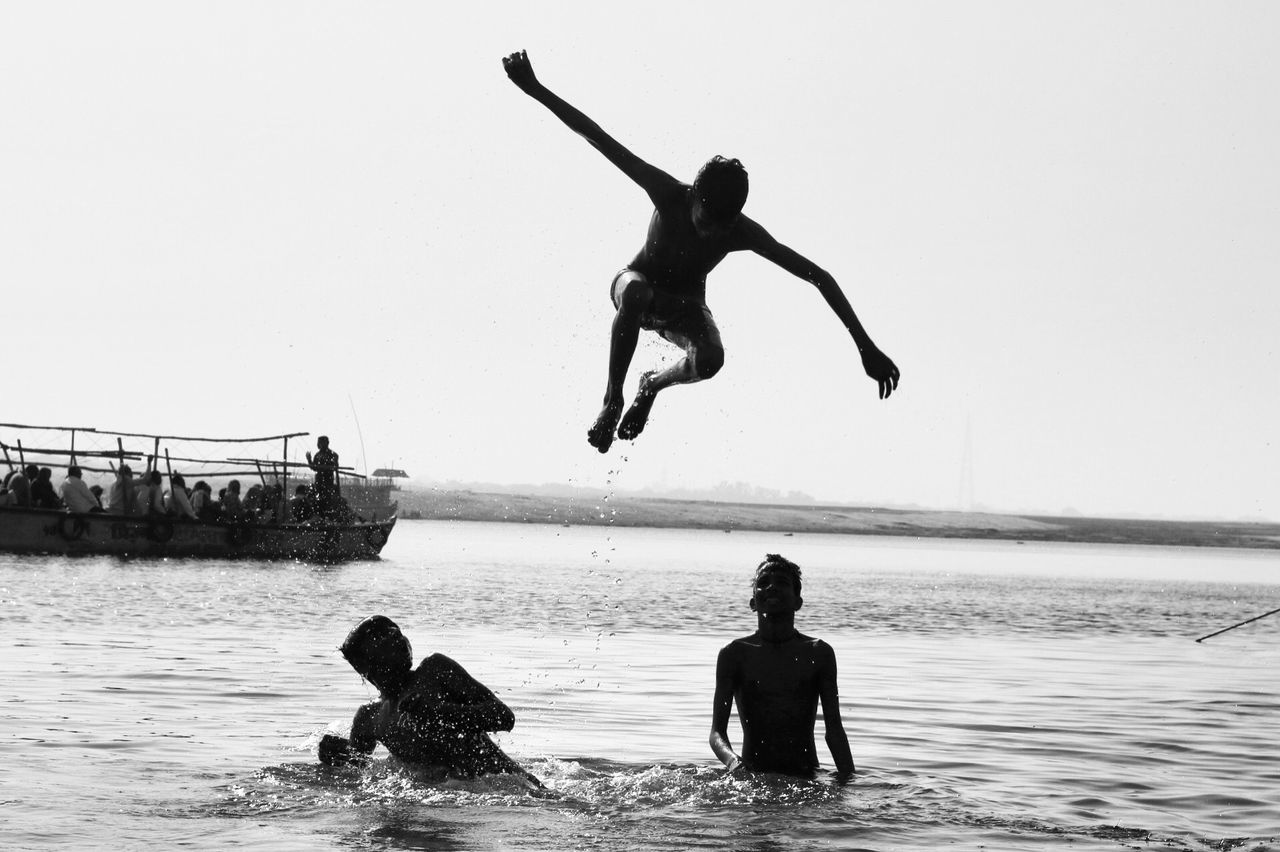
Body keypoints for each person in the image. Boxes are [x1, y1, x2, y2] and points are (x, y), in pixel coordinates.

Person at [503, 51, 901, 453]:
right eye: (705, 220)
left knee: (711, 360)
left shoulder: (740, 232)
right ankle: (612, 399)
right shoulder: (667, 194)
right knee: (638, 293)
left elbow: (819, 277)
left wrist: (865, 346)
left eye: (722, 225)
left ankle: (651, 386)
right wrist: (536, 89)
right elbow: (597, 137)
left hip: (685, 306)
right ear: (694, 196)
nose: (711, 232)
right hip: (634, 287)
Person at [319, 615, 540, 786]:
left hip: (516, 786)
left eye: (397, 633)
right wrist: (337, 756)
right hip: (458, 800)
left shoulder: (435, 672)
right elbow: (359, 771)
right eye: (386, 638)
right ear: (365, 667)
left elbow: (504, 717)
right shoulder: (369, 718)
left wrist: (441, 712)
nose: (400, 640)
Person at [710, 554, 855, 780]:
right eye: (763, 583)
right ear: (752, 603)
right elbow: (717, 733)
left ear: (798, 602)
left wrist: (849, 780)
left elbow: (834, 731)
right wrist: (732, 762)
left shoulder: (818, 653)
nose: (771, 588)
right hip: (753, 777)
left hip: (806, 777)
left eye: (782, 583)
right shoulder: (734, 654)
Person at [306, 436, 340, 516]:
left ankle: (327, 515)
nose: (319, 445)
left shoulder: (333, 454)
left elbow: (335, 467)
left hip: (328, 480)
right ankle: (319, 515)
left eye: (321, 443)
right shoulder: (317, 455)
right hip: (319, 480)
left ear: (327, 443)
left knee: (327, 498)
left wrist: (326, 466)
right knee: (318, 498)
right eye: (318, 443)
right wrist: (309, 460)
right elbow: (314, 468)